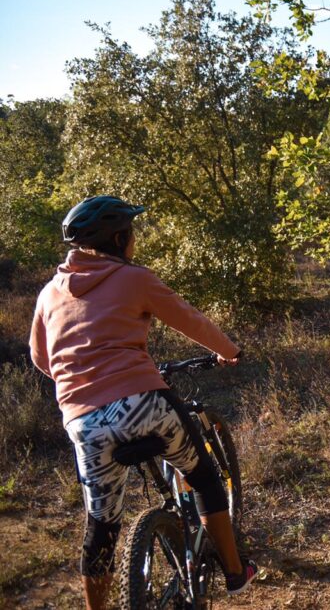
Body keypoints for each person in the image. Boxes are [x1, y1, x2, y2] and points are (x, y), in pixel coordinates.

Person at [28, 196, 257, 610]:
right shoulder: (133, 278)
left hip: (83, 423)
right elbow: (189, 319)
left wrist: (82, 384)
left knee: (101, 526)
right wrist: (230, 350)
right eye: (131, 232)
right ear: (119, 238)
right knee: (203, 477)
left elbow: (42, 360)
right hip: (144, 404)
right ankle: (235, 572)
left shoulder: (48, 294)